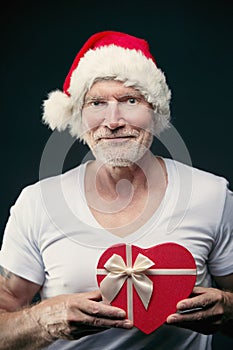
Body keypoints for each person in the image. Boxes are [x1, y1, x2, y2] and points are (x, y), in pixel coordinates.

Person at [0, 30, 232, 350]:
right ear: (81, 116)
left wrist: (229, 311)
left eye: (130, 100)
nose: (112, 121)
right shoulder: (38, 202)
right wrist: (44, 319)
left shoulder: (212, 195)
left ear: (155, 112)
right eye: (97, 103)